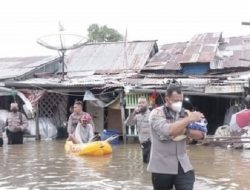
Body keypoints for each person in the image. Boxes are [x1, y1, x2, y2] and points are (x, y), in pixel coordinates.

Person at [147, 84, 206, 190]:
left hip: (183, 165)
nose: (178, 103)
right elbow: (168, 131)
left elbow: (201, 134)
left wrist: (185, 130)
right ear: (167, 99)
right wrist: (188, 120)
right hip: (161, 167)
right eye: (175, 100)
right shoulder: (156, 114)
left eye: (180, 100)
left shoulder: (186, 113)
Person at [125, 96, 151, 163]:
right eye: (139, 103)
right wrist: (134, 113)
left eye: (143, 102)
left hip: (151, 144)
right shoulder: (137, 116)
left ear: (147, 104)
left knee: (149, 164)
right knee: (145, 163)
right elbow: (128, 124)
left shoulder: (151, 114)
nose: (141, 104)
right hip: (142, 144)